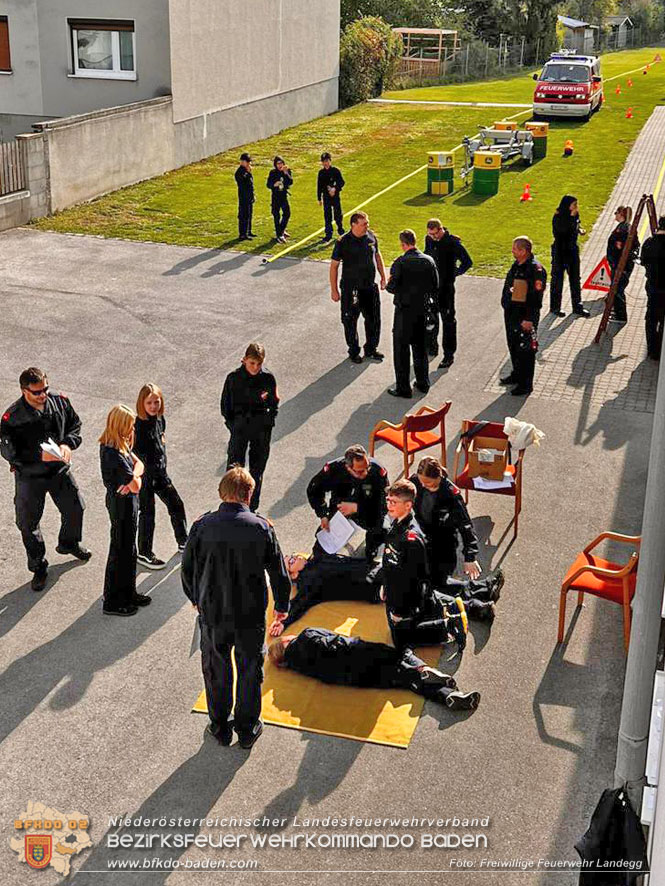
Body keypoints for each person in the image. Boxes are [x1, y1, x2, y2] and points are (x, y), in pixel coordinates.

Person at [181, 467, 291, 748]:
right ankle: (247, 728)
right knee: (250, 669)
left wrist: (195, 598)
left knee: (216, 668)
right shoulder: (261, 527)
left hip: (213, 612)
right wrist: (281, 605)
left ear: (222, 493)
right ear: (249, 494)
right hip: (249, 614)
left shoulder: (202, 526)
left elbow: (188, 567)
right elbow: (279, 572)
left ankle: (219, 726)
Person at [1, 367, 90, 592]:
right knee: (28, 524)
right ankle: (38, 566)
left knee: (75, 508)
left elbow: (74, 425)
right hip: (30, 477)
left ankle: (68, 543)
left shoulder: (60, 402)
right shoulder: (12, 418)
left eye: (45, 390)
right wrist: (35, 456)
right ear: (24, 391)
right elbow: (8, 450)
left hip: (58, 470)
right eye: (37, 392)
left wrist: (67, 444)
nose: (43, 396)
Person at [269, 627, 480, 711]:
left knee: (403, 681)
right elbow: (335, 639)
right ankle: (422, 670)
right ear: (285, 642)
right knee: (401, 655)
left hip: (350, 678)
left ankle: (448, 696)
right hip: (356, 654)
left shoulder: (299, 668)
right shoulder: (306, 636)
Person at [410, 457, 503, 622]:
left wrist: (470, 557)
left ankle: (477, 604)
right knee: (431, 582)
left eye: (429, 484)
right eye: (422, 483)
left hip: (443, 547)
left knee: (434, 586)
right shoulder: (415, 482)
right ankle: (485, 589)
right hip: (422, 543)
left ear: (439, 477)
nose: (424, 486)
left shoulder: (450, 494)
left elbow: (466, 526)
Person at [99, 404, 149, 617]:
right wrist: (134, 481)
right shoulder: (114, 453)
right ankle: (112, 600)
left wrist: (132, 479)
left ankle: (128, 592)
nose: (132, 430)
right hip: (121, 505)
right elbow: (138, 484)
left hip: (127, 501)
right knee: (120, 550)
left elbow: (139, 464)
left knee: (129, 551)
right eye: (129, 426)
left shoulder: (120, 445)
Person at [133, 383, 188, 570]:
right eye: (149, 403)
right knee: (147, 514)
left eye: (156, 402)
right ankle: (144, 552)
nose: (154, 406)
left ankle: (183, 541)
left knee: (176, 505)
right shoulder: (138, 427)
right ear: (142, 403)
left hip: (161, 474)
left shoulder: (159, 419)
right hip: (147, 478)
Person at [220, 342, 279, 512]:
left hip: (261, 430)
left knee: (257, 471)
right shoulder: (233, 378)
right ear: (244, 360)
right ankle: (230, 504)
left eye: (259, 364)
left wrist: (269, 422)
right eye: (252, 363)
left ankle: (251, 507)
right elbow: (225, 406)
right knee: (234, 469)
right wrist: (233, 426)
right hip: (240, 429)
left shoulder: (267, 378)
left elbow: (274, 402)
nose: (255, 367)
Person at [306, 444, 388, 560]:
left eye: (367, 468)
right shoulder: (334, 469)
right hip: (340, 510)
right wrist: (323, 515)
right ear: (348, 467)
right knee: (323, 546)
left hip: (367, 510)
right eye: (359, 472)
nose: (364, 473)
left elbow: (383, 504)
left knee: (379, 528)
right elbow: (314, 490)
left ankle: (371, 556)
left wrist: (358, 508)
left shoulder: (377, 471)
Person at [386, 229, 439, 398]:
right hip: (422, 311)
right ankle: (423, 382)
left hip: (404, 312)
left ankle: (403, 388)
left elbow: (391, 287)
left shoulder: (400, 263)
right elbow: (435, 285)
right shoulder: (428, 261)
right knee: (420, 349)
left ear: (403, 244)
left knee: (401, 351)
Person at [271, 550, 382, 631]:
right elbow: (299, 603)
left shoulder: (315, 560)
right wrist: (283, 622)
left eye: (292, 555)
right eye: (291, 561)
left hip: (375, 568)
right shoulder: (308, 581)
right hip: (374, 584)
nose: (295, 557)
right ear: (293, 575)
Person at [330, 211, 387, 364]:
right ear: (353, 224)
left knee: (374, 319)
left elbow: (377, 255)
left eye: (367, 223)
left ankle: (371, 348)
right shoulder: (343, 242)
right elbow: (334, 266)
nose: (367, 226)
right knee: (350, 320)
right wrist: (334, 290)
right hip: (351, 289)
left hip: (369, 287)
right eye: (364, 224)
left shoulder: (371, 237)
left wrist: (383, 275)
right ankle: (354, 351)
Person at [500, 236, 548, 397]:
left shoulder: (535, 270)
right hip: (512, 313)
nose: (512, 251)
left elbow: (535, 298)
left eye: (515, 249)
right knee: (513, 345)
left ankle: (525, 384)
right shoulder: (518, 264)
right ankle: (517, 374)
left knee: (525, 350)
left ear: (523, 251)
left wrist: (528, 319)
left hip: (524, 316)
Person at [424, 219, 473, 368]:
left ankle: (449, 354)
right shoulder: (429, 240)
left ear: (440, 230)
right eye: (430, 235)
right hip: (432, 287)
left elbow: (467, 262)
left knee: (448, 321)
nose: (432, 237)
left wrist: (454, 274)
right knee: (431, 318)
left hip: (446, 289)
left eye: (434, 234)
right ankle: (432, 346)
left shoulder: (452, 243)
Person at [549, 195, 590, 318]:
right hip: (560, 251)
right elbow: (562, 231)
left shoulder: (575, 215)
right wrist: (572, 219)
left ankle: (577, 306)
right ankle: (555, 307)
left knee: (575, 279)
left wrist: (580, 229)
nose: (576, 207)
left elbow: (576, 226)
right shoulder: (559, 217)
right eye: (574, 204)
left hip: (572, 250)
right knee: (558, 279)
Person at [606, 206, 638, 324]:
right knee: (617, 289)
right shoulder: (625, 227)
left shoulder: (623, 230)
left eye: (616, 213)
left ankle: (621, 316)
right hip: (620, 264)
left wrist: (615, 261)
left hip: (621, 266)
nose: (615, 215)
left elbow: (621, 247)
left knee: (618, 289)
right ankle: (618, 311)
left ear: (621, 215)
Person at [640, 215, 665, 360]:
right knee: (662, 320)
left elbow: (643, 261)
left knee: (651, 319)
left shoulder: (650, 242)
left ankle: (652, 350)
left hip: (653, 286)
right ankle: (660, 348)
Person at [318, 152, 345, 243]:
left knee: (338, 214)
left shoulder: (335, 171)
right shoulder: (321, 173)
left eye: (327, 161)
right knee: (327, 215)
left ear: (330, 161)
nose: (325, 163)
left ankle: (341, 230)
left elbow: (341, 182)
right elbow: (319, 186)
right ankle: (328, 234)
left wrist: (335, 189)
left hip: (335, 196)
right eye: (324, 161)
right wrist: (319, 198)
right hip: (326, 197)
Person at [266, 156, 293, 244]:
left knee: (287, 213)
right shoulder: (273, 173)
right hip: (275, 196)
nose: (280, 165)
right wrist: (274, 184)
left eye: (281, 163)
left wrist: (286, 173)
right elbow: (268, 185)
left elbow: (290, 182)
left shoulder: (286, 171)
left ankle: (281, 230)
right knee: (276, 215)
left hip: (283, 196)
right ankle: (279, 234)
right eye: (278, 163)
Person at [234, 152, 255, 241]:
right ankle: (243, 234)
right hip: (243, 196)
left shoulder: (247, 171)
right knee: (243, 215)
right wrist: (248, 172)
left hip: (249, 196)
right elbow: (242, 182)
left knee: (249, 214)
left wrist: (253, 195)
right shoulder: (240, 172)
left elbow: (251, 184)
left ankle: (248, 231)